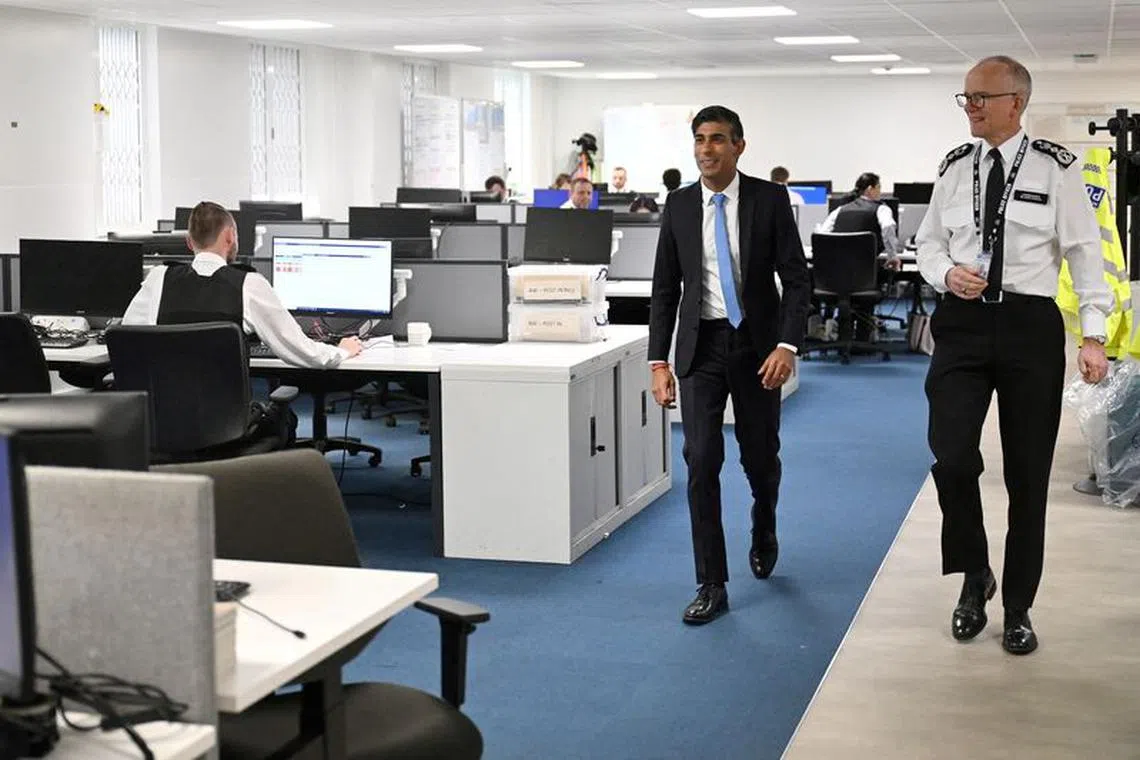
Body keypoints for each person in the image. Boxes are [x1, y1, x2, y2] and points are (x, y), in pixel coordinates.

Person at [916, 55, 1111, 656]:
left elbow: (1083, 251)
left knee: (1028, 476)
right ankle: (975, 574)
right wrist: (946, 273)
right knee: (951, 457)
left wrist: (1094, 334)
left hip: (1029, 327)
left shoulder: (1058, 167)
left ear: (1015, 103)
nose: (970, 106)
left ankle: (1019, 605)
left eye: (980, 97)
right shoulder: (953, 168)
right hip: (962, 327)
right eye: (966, 97)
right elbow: (927, 242)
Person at [648, 105, 811, 625]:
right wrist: (658, 360)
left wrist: (788, 346)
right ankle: (711, 582)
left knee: (759, 457)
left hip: (758, 346)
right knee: (700, 461)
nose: (706, 149)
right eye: (699, 139)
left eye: (717, 139)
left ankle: (764, 522)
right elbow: (664, 289)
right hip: (701, 347)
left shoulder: (769, 198)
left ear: (739, 146)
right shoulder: (677, 205)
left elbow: (797, 279)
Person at [123, 202, 363, 441]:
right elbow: (300, 351)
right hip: (228, 429)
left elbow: (126, 340)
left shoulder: (158, 279)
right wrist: (340, 352)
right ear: (229, 236)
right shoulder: (248, 284)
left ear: (188, 241)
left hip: (163, 426)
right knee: (285, 419)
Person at [819, 172, 902, 269]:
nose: (880, 191)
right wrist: (892, 256)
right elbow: (888, 227)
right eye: (879, 187)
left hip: (838, 272)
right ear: (870, 189)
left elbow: (822, 235)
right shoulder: (881, 209)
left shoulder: (839, 210)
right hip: (867, 273)